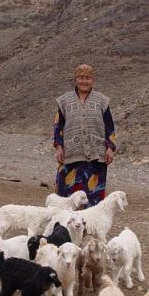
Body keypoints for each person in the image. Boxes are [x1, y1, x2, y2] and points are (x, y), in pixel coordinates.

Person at [53, 64, 116, 207]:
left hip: (96, 155)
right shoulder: (64, 101)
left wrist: (110, 148)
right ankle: (64, 226)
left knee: (93, 195)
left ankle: (89, 226)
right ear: (76, 79)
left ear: (92, 80)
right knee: (66, 195)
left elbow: (110, 127)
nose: (84, 81)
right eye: (81, 78)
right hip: (70, 154)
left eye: (88, 78)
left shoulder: (102, 101)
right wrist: (58, 147)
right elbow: (58, 126)